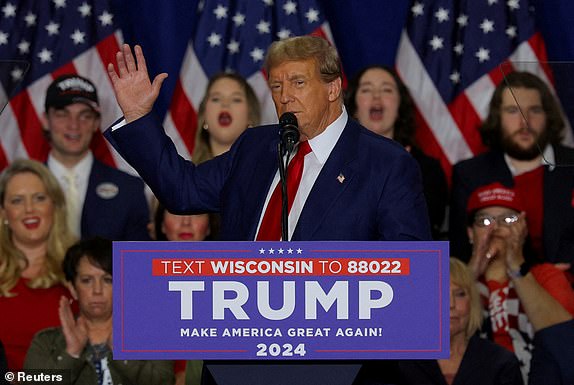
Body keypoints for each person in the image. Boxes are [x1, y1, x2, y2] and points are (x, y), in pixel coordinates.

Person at [104, 37, 430, 242]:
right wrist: (138, 117)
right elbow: (182, 191)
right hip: (244, 341)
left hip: (329, 345)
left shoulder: (386, 164)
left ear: (333, 88)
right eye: (276, 87)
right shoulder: (255, 147)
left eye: (298, 83)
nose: (285, 96)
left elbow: (407, 274)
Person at [450, 71, 574, 275]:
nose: (525, 122)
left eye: (534, 110)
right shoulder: (469, 175)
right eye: (513, 111)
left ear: (548, 116)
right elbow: (459, 257)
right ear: (497, 117)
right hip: (494, 293)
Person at [24, 237, 175, 384]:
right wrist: (71, 353)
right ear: (73, 289)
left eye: (108, 280)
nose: (97, 290)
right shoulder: (46, 342)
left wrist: (122, 354)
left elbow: (165, 381)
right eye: (87, 280)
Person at [465, 182, 574, 382]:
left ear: (523, 229)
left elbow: (565, 346)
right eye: (485, 220)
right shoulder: (448, 278)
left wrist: (517, 268)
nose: (496, 228)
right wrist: (469, 275)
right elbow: (419, 336)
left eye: (508, 219)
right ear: (470, 233)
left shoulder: (545, 276)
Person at [42, 74, 150, 241]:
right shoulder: (19, 188)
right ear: (45, 120)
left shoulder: (129, 190)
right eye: (63, 114)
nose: (74, 125)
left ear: (96, 123)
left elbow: (135, 263)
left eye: (85, 115)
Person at [345, 65, 448, 239]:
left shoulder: (427, 169)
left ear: (400, 106)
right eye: (366, 90)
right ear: (354, 107)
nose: (376, 96)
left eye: (386, 90)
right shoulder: (335, 162)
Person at [396, 258, 523, 385]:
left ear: (472, 302)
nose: (450, 304)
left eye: (460, 294)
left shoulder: (501, 363)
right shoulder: (400, 362)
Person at [0, 159, 76, 370]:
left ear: (55, 205)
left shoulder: (85, 266)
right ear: (4, 212)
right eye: (17, 200)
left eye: (39, 198)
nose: (29, 209)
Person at [192, 72, 261, 164]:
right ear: (204, 116)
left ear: (250, 116)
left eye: (236, 99)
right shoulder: (186, 175)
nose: (225, 104)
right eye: (216, 99)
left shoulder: (268, 175)